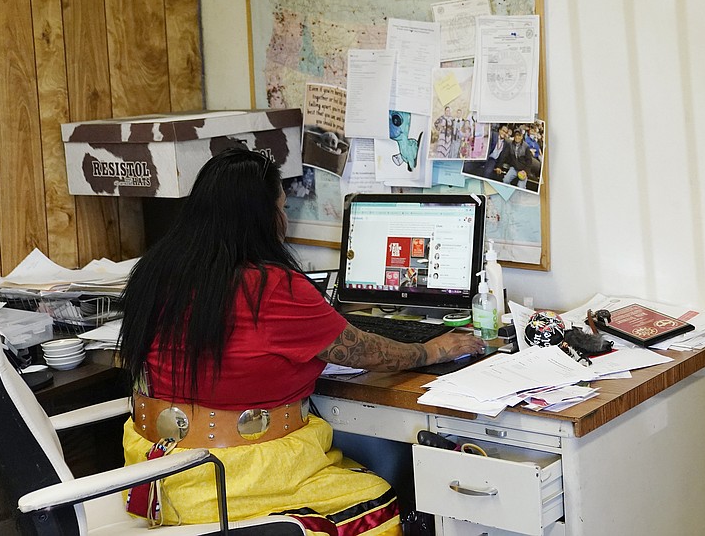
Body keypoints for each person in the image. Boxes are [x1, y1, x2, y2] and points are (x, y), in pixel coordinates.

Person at [117, 148, 484, 534]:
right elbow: (370, 352)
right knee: (384, 498)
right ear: (261, 217)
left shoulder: (154, 272)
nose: (286, 217)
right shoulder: (271, 288)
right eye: (283, 205)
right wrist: (433, 349)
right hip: (234, 480)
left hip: (160, 476)